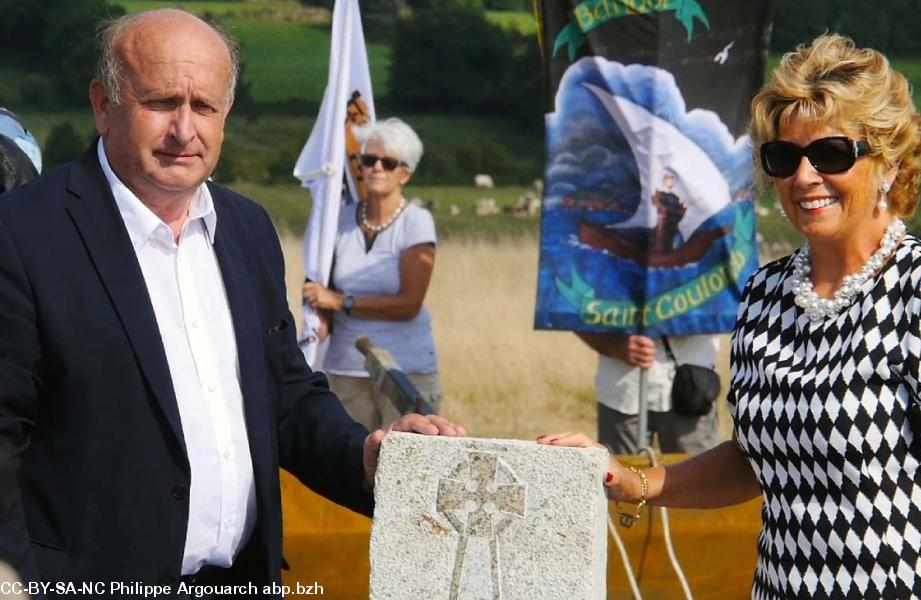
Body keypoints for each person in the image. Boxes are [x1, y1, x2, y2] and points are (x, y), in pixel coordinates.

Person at [544, 34, 921, 599]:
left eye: (832, 154)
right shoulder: (765, 294)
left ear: (889, 164)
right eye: (784, 157)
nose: (804, 177)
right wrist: (633, 481)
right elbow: (758, 461)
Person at [0, 9, 464, 593]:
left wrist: (366, 456)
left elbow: (286, 396)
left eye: (204, 107)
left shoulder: (247, 229)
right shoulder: (21, 234)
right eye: (162, 102)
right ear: (103, 104)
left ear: (227, 115)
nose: (184, 130)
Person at [302, 118, 442, 432]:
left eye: (388, 162)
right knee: (349, 471)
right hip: (345, 369)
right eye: (369, 160)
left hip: (406, 373)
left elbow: (409, 304)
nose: (377, 167)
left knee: (404, 473)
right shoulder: (337, 220)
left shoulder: (417, 222)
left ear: (405, 173)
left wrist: (342, 302)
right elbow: (322, 286)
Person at [575, 333, 720, 455]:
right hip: (622, 391)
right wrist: (615, 347)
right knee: (620, 482)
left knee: (696, 483)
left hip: (691, 391)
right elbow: (572, 309)